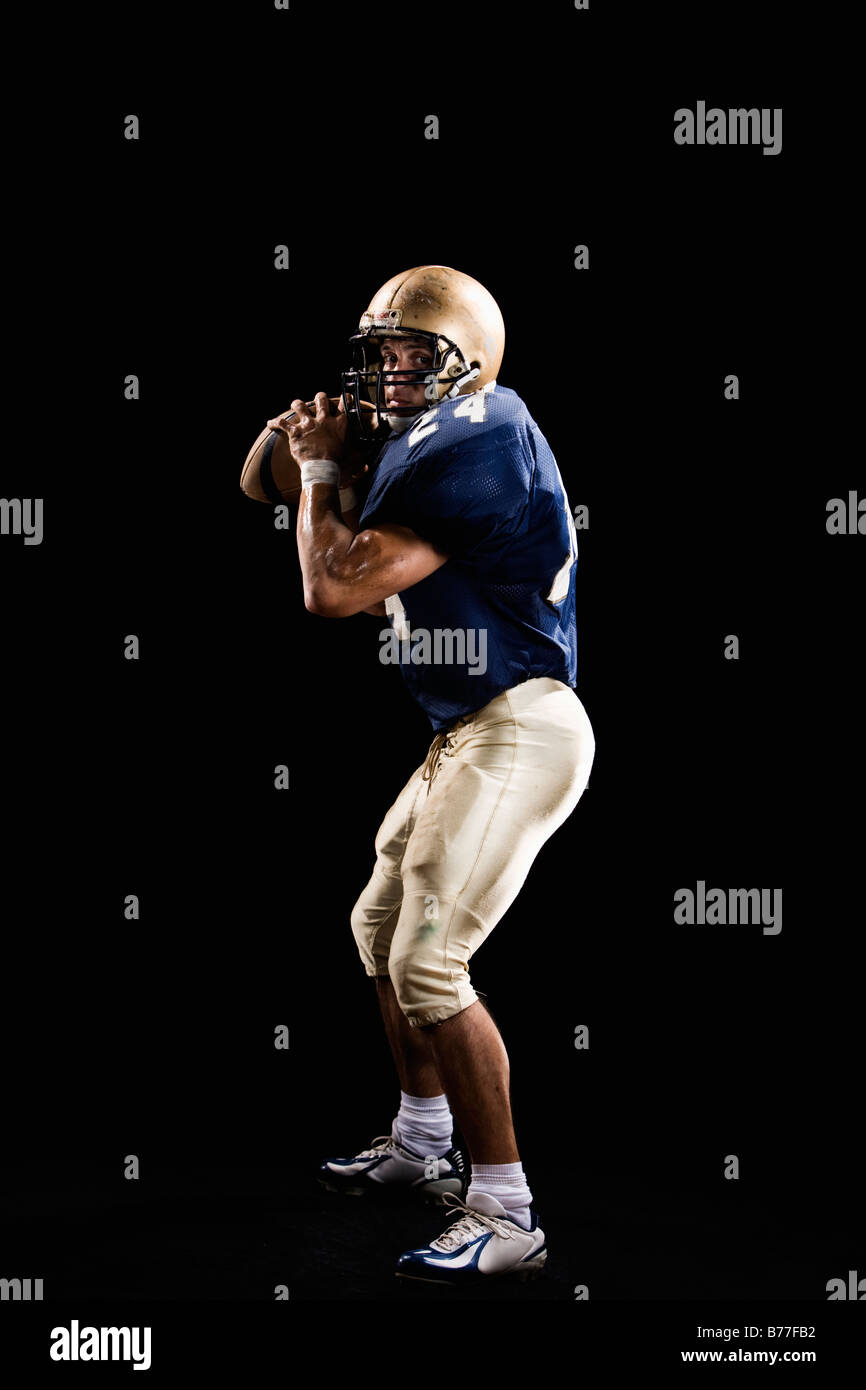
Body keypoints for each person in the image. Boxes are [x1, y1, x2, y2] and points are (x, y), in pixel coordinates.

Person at [279, 265, 595, 1285]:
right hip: (465, 730)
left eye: (417, 354)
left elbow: (328, 587)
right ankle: (420, 1140)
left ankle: (505, 1210)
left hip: (521, 726)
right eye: (382, 355)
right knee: (377, 928)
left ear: (468, 360)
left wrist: (322, 466)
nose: (395, 373)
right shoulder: (423, 447)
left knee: (428, 962)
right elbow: (263, 483)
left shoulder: (484, 434)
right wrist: (304, 443)